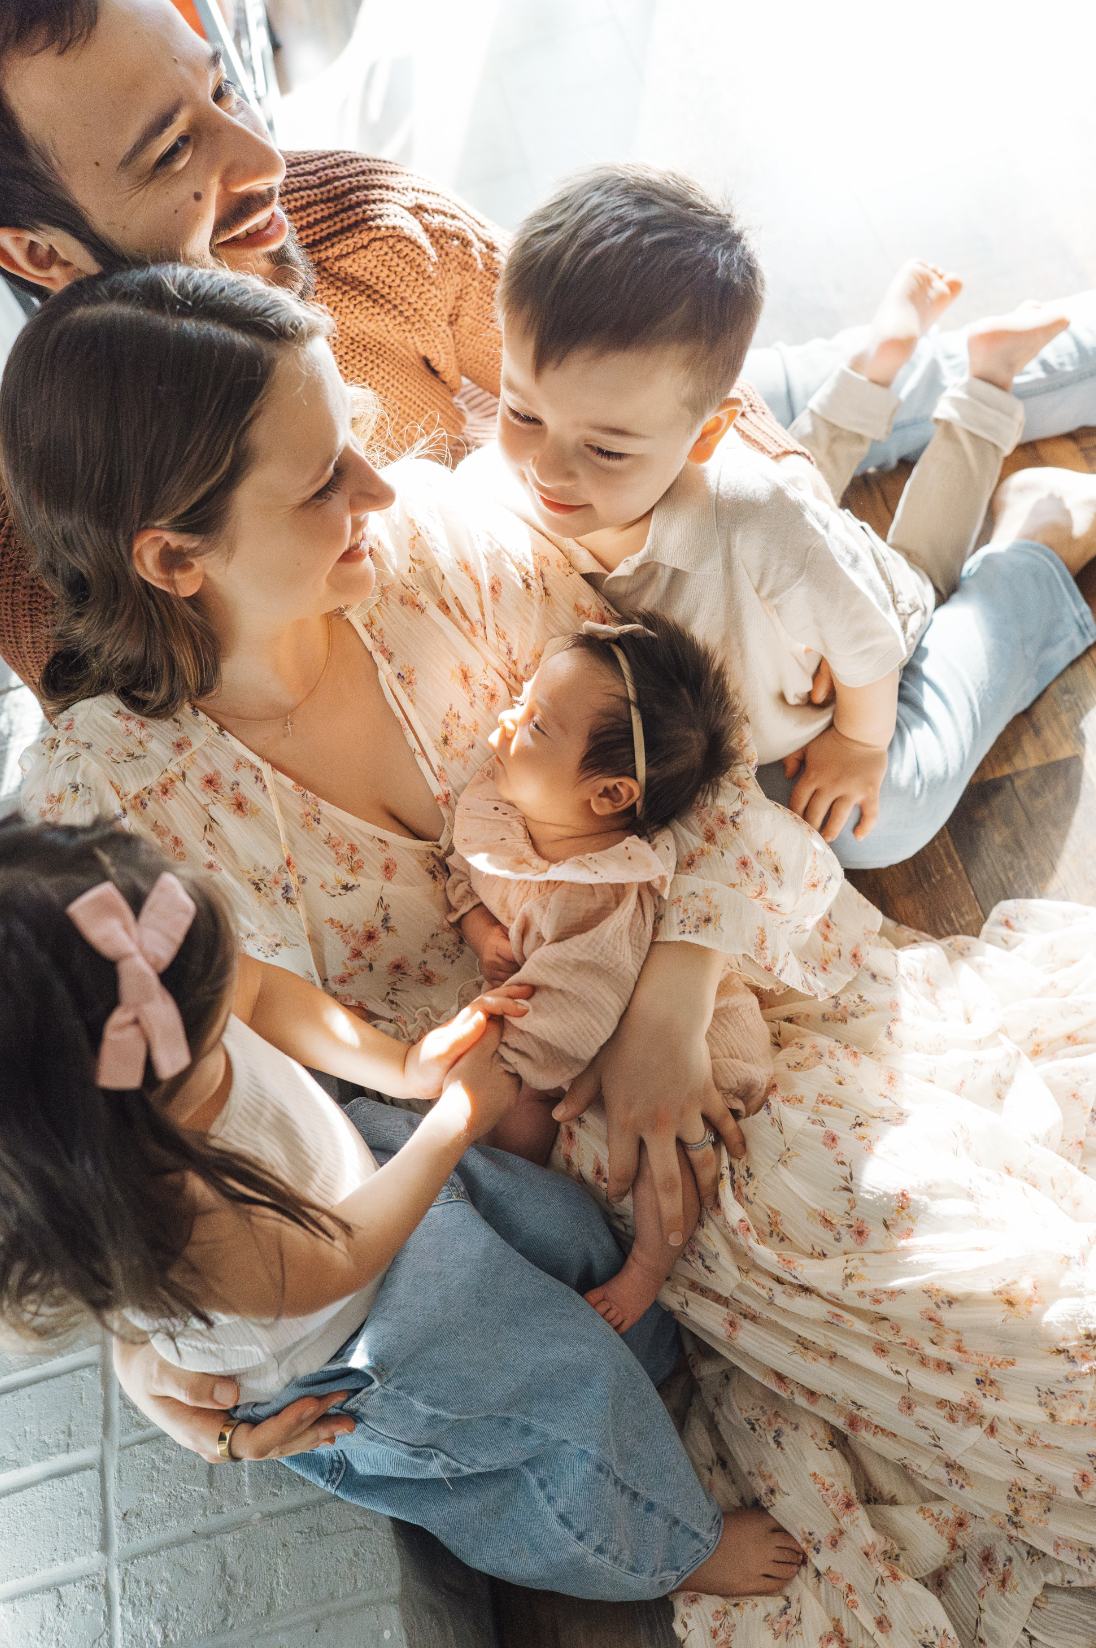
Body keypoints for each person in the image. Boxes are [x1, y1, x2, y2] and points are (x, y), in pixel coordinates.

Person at [8, 266, 1095, 1645]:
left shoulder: (455, 555)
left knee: (1031, 1328)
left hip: (731, 1012)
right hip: (550, 1192)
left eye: (358, 443)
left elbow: (712, 780)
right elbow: (71, 1122)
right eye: (323, 478)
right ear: (173, 557)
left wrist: (673, 1004)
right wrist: (157, 1367)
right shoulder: (103, 818)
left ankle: (1025, 545)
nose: (382, 491)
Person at [0, 816, 805, 1599]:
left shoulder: (168, 997)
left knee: (557, 1229)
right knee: (560, 1395)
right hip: (362, 1336)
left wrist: (405, 1068)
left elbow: (263, 996)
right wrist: (453, 1123)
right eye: (209, 1044)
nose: (226, 1013)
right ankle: (669, 1546)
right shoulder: (168, 1216)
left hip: (368, 1176)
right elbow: (331, 1263)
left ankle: (654, 1361)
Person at [0, 0, 808, 694]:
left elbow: (639, 362)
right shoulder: (43, 541)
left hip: (589, 464)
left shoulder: (364, 218)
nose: (268, 162)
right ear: (39, 254)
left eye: (223, 90)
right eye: (173, 150)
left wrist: (798, 518)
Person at [462, 164, 1096, 868]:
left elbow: (871, 644)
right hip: (770, 567)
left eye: (605, 449)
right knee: (801, 482)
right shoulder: (496, 490)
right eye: (521, 411)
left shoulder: (756, 517)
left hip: (855, 603)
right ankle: (878, 359)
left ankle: (987, 383)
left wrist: (858, 742)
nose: (544, 470)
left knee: (920, 563)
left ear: (706, 436)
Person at [448, 614, 773, 1331]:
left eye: (534, 726)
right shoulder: (511, 816)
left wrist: (515, 1073)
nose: (505, 720)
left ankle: (648, 1268)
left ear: (609, 797)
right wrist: (482, 931)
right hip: (595, 1017)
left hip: (699, 1046)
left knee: (667, 1151)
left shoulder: (598, 893)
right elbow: (464, 872)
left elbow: (573, 1012)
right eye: (521, 702)